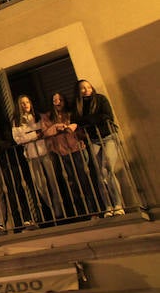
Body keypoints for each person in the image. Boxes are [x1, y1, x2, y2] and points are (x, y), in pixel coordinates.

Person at [42, 91, 98, 220]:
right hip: (61, 152)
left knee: (85, 180)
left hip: (77, 149)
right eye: (55, 100)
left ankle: (93, 211)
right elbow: (45, 133)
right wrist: (56, 127)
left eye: (60, 99)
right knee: (71, 183)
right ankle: (81, 213)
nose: (58, 102)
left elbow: (81, 127)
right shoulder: (49, 117)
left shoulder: (71, 113)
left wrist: (71, 127)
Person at [73, 80, 125, 217]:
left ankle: (118, 204)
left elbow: (107, 116)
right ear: (78, 91)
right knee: (99, 173)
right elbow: (76, 121)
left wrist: (88, 120)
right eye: (82, 88)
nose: (86, 90)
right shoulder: (79, 106)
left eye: (88, 86)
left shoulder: (100, 99)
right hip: (93, 139)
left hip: (108, 136)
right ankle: (108, 206)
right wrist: (93, 119)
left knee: (107, 168)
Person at [12, 94, 63, 223]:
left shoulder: (38, 117)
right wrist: (35, 134)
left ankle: (59, 208)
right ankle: (50, 206)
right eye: (23, 103)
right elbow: (18, 139)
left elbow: (46, 131)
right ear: (19, 106)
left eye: (27, 102)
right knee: (40, 184)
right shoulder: (16, 121)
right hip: (32, 155)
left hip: (45, 152)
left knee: (53, 181)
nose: (25, 105)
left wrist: (31, 135)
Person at [0, 115, 38, 231]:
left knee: (20, 189)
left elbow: (10, 143)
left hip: (15, 163)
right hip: (5, 166)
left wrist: (0, 146)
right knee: (11, 192)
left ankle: (28, 218)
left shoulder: (5, 133)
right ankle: (17, 222)